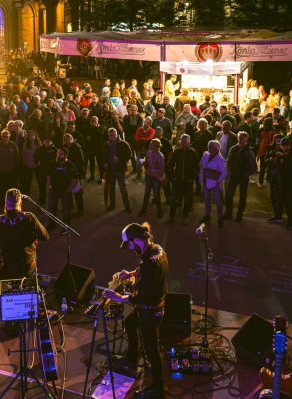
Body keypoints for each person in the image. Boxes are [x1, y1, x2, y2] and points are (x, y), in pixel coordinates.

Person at [104, 222, 168, 399]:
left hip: (150, 311)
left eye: (130, 244)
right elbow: (146, 269)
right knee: (130, 322)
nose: (129, 248)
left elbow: (139, 298)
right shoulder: (157, 250)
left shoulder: (149, 263)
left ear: (138, 240)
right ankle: (132, 357)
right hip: (152, 307)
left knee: (152, 351)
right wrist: (132, 274)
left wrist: (116, 297)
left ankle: (158, 388)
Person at [0, 189, 49, 283]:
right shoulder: (30, 218)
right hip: (27, 267)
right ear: (20, 203)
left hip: (8, 265)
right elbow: (46, 236)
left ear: (5, 203)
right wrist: (34, 238)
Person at [224, 131, 257, 222]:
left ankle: (239, 214)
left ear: (246, 139)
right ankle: (228, 212)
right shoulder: (233, 149)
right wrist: (230, 171)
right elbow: (228, 161)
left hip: (243, 177)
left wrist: (245, 175)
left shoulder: (248, 151)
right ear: (237, 138)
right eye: (240, 138)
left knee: (242, 196)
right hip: (234, 175)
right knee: (229, 195)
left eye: (243, 138)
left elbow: (254, 166)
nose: (241, 140)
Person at [166, 134, 198, 225]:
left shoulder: (193, 153)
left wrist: (192, 178)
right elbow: (170, 165)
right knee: (173, 199)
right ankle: (171, 216)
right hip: (178, 180)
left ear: (189, 142)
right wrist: (173, 177)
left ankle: (185, 216)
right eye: (182, 141)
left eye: (186, 142)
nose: (184, 143)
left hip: (188, 181)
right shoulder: (176, 152)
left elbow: (196, 167)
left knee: (187, 200)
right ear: (180, 142)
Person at [47, 147, 79, 231]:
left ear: (66, 155)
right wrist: (49, 185)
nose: (58, 155)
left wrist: (69, 189)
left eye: (61, 154)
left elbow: (76, 179)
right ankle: (51, 223)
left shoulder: (70, 165)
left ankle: (66, 226)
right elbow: (48, 175)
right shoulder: (52, 163)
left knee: (66, 210)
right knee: (51, 208)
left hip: (65, 191)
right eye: (57, 153)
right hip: (54, 189)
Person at [102, 127, 132, 212]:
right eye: (111, 135)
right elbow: (103, 156)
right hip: (110, 170)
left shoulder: (123, 143)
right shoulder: (106, 145)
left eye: (114, 135)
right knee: (111, 188)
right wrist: (105, 163)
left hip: (119, 169)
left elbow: (129, 155)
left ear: (117, 134)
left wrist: (119, 159)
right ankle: (112, 205)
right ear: (108, 135)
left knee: (122, 188)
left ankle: (127, 206)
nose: (112, 137)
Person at [199, 140, 227, 228]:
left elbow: (224, 173)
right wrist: (201, 178)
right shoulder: (205, 156)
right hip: (206, 181)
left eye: (211, 146)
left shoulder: (220, 159)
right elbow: (201, 167)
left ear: (216, 148)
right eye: (208, 145)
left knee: (218, 202)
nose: (209, 147)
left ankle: (220, 218)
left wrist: (217, 180)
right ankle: (207, 215)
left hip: (215, 183)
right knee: (206, 200)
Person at [0, 129, 21, 208]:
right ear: (1, 137)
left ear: (9, 137)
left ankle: (12, 205)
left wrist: (13, 167)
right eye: (3, 136)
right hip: (1, 171)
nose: (5, 138)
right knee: (0, 189)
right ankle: (0, 204)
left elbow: (18, 158)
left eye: (7, 136)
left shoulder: (13, 145)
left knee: (11, 189)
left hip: (11, 171)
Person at [138, 138, 165, 218]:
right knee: (146, 193)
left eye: (151, 144)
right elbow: (147, 162)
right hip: (149, 176)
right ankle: (143, 209)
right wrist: (142, 160)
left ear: (156, 146)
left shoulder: (160, 156)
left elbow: (161, 169)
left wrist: (150, 170)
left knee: (156, 195)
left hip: (156, 178)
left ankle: (159, 211)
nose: (149, 145)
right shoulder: (149, 152)